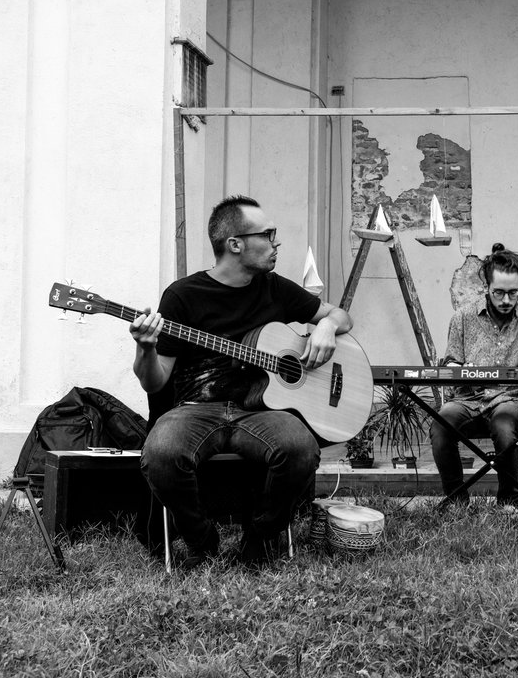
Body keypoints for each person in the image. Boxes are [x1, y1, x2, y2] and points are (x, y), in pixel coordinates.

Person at [129, 195, 353, 567]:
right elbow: (155, 383)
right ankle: (201, 539)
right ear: (235, 244)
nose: (276, 243)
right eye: (268, 234)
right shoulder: (183, 296)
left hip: (262, 412)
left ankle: (261, 539)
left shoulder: (275, 288)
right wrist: (145, 349)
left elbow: (342, 316)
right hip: (196, 411)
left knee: (301, 448)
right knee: (161, 453)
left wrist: (327, 326)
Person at [430, 244, 518, 508]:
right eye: (499, 292)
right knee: (441, 424)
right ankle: (457, 500)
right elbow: (451, 361)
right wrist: (459, 369)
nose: (505, 300)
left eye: (513, 293)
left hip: (508, 400)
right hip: (468, 400)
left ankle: (508, 502)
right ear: (486, 287)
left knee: (504, 426)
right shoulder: (463, 317)